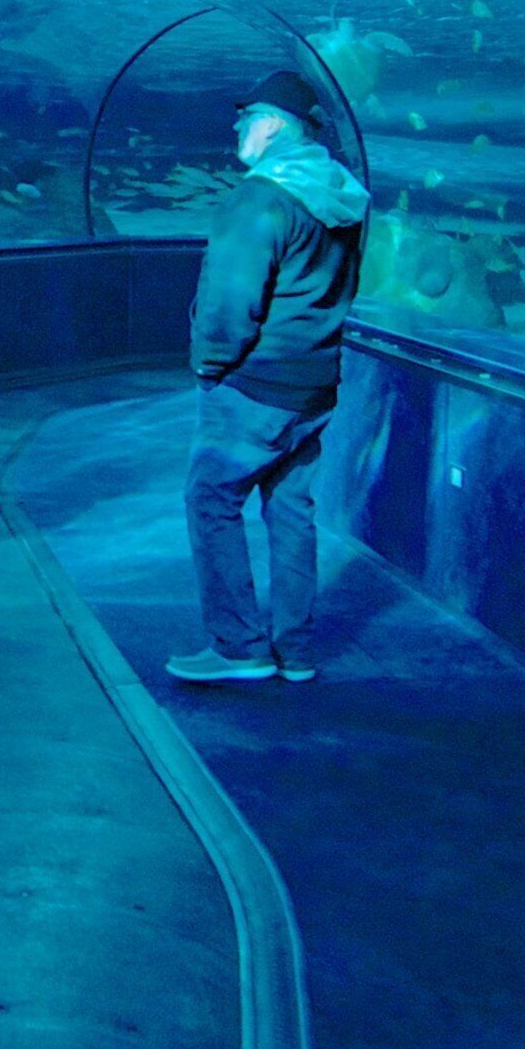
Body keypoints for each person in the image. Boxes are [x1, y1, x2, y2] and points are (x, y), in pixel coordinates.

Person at [168, 69, 368, 683]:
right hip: (314, 383)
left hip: (254, 387)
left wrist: (209, 365)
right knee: (290, 508)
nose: (237, 126)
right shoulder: (340, 193)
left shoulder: (258, 199)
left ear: (276, 125)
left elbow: (231, 306)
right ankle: (296, 650)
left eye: (247, 116)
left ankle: (238, 647)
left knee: (211, 499)